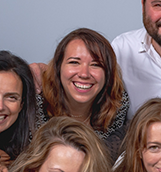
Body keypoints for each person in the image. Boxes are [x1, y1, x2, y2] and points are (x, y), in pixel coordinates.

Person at [36, 29, 129, 159]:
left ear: (107, 74)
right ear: (58, 67)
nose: (84, 74)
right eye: (74, 62)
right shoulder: (35, 107)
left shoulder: (118, 105)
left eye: (96, 64)